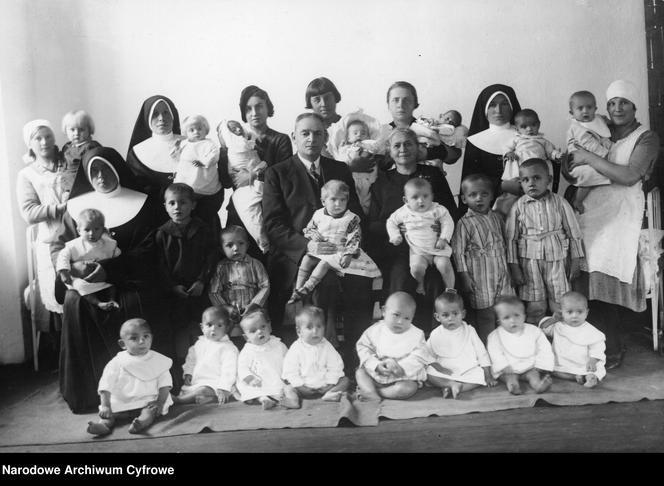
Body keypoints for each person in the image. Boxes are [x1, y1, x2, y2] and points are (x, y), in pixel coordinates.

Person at [51, 146, 162, 413]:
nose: (100, 176)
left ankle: (138, 394)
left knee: (133, 302)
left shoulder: (144, 203)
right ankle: (88, 394)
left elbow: (149, 250)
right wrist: (75, 267)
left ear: (118, 170)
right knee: (75, 302)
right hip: (84, 283)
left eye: (106, 169)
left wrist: (110, 269)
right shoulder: (75, 208)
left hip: (128, 280)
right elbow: (58, 248)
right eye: (94, 170)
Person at [564, 79, 660, 369]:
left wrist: (589, 159)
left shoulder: (646, 137)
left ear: (634, 106)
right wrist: (579, 166)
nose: (617, 108)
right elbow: (569, 169)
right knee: (581, 257)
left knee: (604, 257)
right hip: (592, 204)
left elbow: (630, 176)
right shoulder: (595, 127)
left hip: (624, 209)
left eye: (624, 103)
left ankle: (611, 344)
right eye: (612, 103)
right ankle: (585, 344)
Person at [262, 112, 372, 359]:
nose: (311, 138)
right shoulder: (277, 173)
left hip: (340, 249)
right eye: (305, 133)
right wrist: (307, 245)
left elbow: (354, 214)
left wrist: (347, 246)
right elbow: (273, 224)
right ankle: (322, 351)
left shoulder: (339, 169)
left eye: (317, 133)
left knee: (360, 280)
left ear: (325, 138)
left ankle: (356, 356)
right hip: (297, 255)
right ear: (294, 137)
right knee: (324, 281)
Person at [367, 128, 456, 328]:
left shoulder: (432, 175)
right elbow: (373, 224)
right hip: (399, 250)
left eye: (408, 144)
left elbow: (451, 212)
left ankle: (435, 337)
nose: (403, 149)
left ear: (417, 148)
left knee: (435, 279)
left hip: (432, 246)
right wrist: (400, 230)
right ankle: (400, 336)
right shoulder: (382, 182)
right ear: (389, 151)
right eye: (397, 145)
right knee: (400, 277)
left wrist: (440, 232)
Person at [505, 159, 584, 324]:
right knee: (535, 305)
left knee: (560, 302)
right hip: (529, 262)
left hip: (557, 260)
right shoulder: (518, 206)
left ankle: (561, 336)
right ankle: (537, 338)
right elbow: (511, 239)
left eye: (536, 178)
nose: (531, 183)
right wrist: (514, 267)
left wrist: (576, 259)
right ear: (521, 183)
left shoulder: (560, 203)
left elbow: (574, 233)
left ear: (549, 180)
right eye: (526, 180)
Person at [220, 85, 292, 259]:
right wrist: (224, 154)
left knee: (268, 262)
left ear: (268, 108)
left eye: (259, 106)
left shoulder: (280, 139)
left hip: (269, 209)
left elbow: (283, 176)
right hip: (240, 209)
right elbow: (227, 182)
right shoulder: (236, 140)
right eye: (248, 108)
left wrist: (251, 175)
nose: (254, 112)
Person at [152, 183, 219, 367]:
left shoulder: (203, 230)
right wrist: (172, 286)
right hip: (175, 292)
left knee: (202, 325)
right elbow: (160, 265)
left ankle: (204, 363)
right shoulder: (162, 234)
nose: (177, 207)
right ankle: (182, 366)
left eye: (182, 203)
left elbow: (211, 258)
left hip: (199, 289)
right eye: (171, 203)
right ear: (165, 206)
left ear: (193, 205)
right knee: (179, 328)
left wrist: (201, 281)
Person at [18, 119, 78, 321]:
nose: (44, 142)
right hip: (50, 238)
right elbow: (29, 212)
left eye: (48, 136)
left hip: (77, 231)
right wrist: (59, 209)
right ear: (30, 143)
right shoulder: (26, 174)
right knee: (59, 291)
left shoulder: (69, 161)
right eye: (38, 138)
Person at [288, 179, 380, 304]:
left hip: (339, 251)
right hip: (322, 249)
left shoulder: (350, 218)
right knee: (307, 259)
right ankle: (297, 290)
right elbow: (309, 229)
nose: (338, 204)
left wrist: (348, 254)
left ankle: (307, 288)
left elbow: (355, 237)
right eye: (333, 199)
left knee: (324, 264)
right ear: (323, 201)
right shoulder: (318, 215)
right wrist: (312, 235)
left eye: (343, 200)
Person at [451, 174, 514, 342]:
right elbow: (458, 251)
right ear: (464, 199)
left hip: (501, 273)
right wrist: (464, 275)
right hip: (480, 276)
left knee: (504, 311)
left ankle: (505, 346)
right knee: (486, 315)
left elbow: (505, 244)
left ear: (492, 196)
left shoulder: (497, 218)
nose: (479, 198)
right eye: (473, 195)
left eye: (484, 194)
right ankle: (488, 348)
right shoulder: (464, 223)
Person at [86, 318, 173, 436]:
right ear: (122, 344)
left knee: (149, 412)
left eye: (146, 336)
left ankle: (141, 423)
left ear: (151, 338)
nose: (142, 341)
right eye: (134, 338)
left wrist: (160, 402)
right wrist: (106, 406)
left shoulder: (158, 361)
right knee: (109, 413)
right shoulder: (117, 362)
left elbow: (165, 384)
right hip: (123, 401)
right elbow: (106, 385)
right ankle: (104, 425)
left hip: (147, 400)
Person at [355, 292, 430, 401]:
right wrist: (376, 365)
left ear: (412, 318)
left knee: (408, 388)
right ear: (384, 311)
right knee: (360, 373)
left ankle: (377, 393)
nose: (400, 322)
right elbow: (364, 348)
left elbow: (420, 356)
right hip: (377, 373)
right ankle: (370, 391)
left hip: (402, 377)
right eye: (396, 315)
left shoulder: (417, 334)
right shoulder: (374, 330)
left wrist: (402, 367)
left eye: (407, 318)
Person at [386, 177, 455, 295]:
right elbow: (391, 222)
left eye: (425, 196)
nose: (421, 201)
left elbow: (448, 222)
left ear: (432, 196)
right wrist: (395, 235)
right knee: (416, 268)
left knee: (445, 266)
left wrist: (444, 238)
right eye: (415, 197)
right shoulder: (403, 212)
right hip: (418, 251)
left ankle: (450, 289)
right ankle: (420, 282)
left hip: (438, 249)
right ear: (405, 200)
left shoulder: (438, 209)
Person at [461, 84, 522, 212]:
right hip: (486, 210)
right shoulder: (475, 141)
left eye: (504, 104)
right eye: (492, 104)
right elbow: (470, 182)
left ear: (512, 107)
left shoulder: (525, 137)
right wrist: (503, 186)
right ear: (484, 108)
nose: (498, 110)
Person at [426, 291, 496, 399]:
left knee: (479, 376)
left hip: (467, 369)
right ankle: (450, 384)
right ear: (437, 317)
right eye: (445, 315)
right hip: (445, 370)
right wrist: (438, 368)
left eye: (455, 314)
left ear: (463, 314)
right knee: (428, 373)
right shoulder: (436, 334)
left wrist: (488, 375)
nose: (451, 318)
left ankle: (455, 387)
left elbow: (482, 353)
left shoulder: (470, 331)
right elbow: (427, 356)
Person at [126, 95, 184, 223]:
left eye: (166, 113)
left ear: (173, 115)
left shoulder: (190, 144)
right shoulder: (137, 152)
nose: (161, 118)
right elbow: (134, 192)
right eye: (155, 114)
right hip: (153, 218)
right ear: (147, 117)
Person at [496, 109, 562, 217]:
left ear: (539, 124)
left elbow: (551, 152)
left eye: (533, 125)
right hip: (521, 168)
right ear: (517, 128)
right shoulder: (517, 139)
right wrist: (509, 153)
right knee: (516, 191)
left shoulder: (542, 141)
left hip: (537, 168)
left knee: (540, 190)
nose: (529, 129)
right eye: (524, 126)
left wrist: (557, 155)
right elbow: (506, 147)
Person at [217, 118, 269, 253]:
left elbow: (269, 165)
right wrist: (224, 151)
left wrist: (252, 175)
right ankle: (262, 241)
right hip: (242, 195)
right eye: (233, 129)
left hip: (262, 191)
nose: (239, 130)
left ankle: (264, 243)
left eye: (239, 127)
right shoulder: (223, 153)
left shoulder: (253, 143)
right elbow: (226, 182)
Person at [208, 225, 270, 337]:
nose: (236, 248)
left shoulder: (255, 264)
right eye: (229, 245)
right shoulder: (220, 267)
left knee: (256, 333)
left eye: (240, 243)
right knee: (232, 335)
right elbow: (214, 292)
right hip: (230, 313)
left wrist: (254, 304)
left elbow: (265, 286)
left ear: (247, 245)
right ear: (221, 249)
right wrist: (226, 308)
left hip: (253, 311)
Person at [56, 208, 121, 311]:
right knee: (79, 286)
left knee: (113, 285)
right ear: (79, 230)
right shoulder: (74, 245)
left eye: (96, 229)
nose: (91, 233)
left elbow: (116, 253)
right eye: (87, 230)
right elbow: (62, 256)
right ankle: (99, 303)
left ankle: (112, 300)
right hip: (83, 278)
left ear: (103, 229)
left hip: (101, 276)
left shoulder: (108, 243)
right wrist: (64, 272)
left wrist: (115, 257)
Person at [487, 296, 554, 395]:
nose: (512, 320)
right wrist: (503, 366)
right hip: (508, 370)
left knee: (533, 375)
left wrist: (541, 365)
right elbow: (494, 353)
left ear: (524, 316)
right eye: (506, 317)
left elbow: (544, 347)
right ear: (499, 321)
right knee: (510, 377)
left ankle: (538, 385)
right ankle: (513, 386)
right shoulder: (495, 336)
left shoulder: (534, 331)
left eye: (517, 315)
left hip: (529, 367)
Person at [236, 306, 300, 410]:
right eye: (253, 331)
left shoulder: (278, 344)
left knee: (289, 388)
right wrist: (250, 378)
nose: (259, 332)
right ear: (246, 337)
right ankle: (264, 399)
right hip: (258, 381)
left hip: (277, 378)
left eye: (263, 327)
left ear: (269, 327)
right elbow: (242, 367)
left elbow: (289, 360)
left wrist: (291, 373)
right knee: (250, 390)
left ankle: (291, 400)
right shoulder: (247, 351)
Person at [282, 306, 350, 403]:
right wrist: (300, 386)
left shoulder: (326, 346)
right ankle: (293, 399)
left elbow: (335, 366)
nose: (315, 331)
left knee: (345, 381)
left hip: (325, 385)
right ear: (299, 331)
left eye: (319, 326)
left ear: (324, 328)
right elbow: (290, 371)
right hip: (304, 386)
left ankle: (330, 393)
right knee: (287, 387)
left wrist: (330, 383)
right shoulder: (296, 348)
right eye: (309, 327)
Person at [174, 306, 239, 405]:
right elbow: (191, 360)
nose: (213, 329)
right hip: (197, 381)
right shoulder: (199, 344)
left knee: (204, 390)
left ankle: (180, 400)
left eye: (219, 325)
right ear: (202, 327)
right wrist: (188, 373)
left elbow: (229, 370)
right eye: (209, 325)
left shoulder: (228, 348)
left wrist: (223, 387)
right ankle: (206, 399)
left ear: (227, 327)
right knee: (191, 390)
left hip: (216, 384)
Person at [540, 291, 606, 388]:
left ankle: (590, 377)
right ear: (562, 312)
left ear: (586, 313)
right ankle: (577, 377)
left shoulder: (591, 331)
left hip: (584, 362)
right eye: (569, 312)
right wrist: (553, 319)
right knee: (551, 369)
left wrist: (593, 360)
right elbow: (543, 328)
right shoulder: (558, 326)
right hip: (562, 362)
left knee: (597, 368)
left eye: (580, 312)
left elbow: (598, 347)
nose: (574, 316)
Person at [171, 114, 223, 234]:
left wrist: (204, 162)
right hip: (187, 180)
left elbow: (214, 155)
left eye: (199, 128)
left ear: (205, 129)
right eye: (192, 130)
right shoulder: (185, 144)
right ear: (186, 132)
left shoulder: (209, 143)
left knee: (205, 217)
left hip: (203, 179)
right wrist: (176, 148)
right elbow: (176, 158)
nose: (196, 132)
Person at [565, 91, 615, 212]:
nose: (585, 111)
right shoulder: (577, 127)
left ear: (595, 109)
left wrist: (607, 121)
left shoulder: (596, 120)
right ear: (572, 112)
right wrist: (606, 154)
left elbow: (602, 133)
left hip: (590, 158)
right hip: (578, 161)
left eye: (589, 107)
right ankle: (577, 200)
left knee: (601, 171)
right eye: (580, 108)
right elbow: (590, 144)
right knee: (592, 174)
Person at [335, 111, 385, 214]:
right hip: (352, 178)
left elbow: (376, 147)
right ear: (348, 138)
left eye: (363, 133)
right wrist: (341, 148)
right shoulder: (346, 148)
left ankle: (365, 212)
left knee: (366, 197)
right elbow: (340, 160)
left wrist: (368, 145)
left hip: (367, 178)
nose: (359, 135)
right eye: (355, 133)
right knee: (351, 196)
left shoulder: (368, 143)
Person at [304, 76, 345, 159]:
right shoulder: (306, 130)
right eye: (317, 100)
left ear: (335, 98)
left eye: (327, 98)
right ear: (310, 104)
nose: (323, 104)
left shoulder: (348, 125)